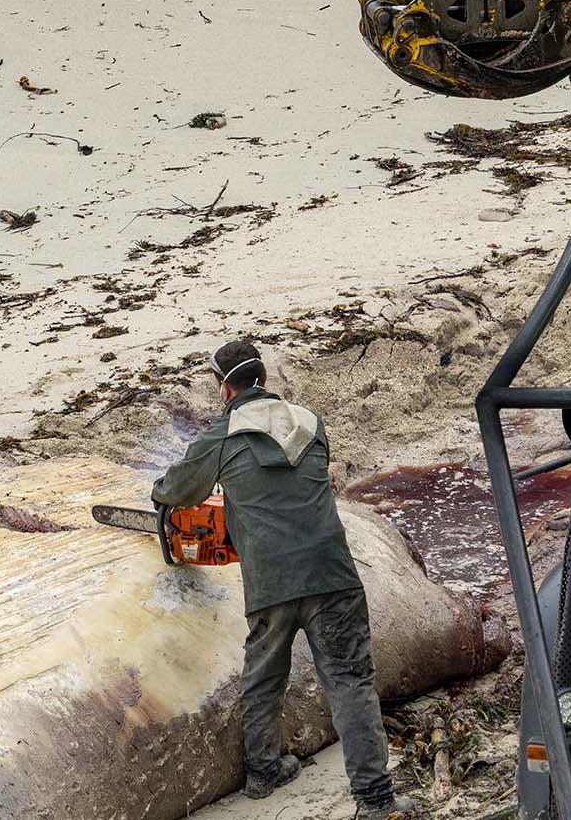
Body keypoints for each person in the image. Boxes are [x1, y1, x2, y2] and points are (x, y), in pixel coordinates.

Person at [151, 340, 416, 819]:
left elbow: (178, 488)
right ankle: (375, 799)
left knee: (264, 675)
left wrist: (163, 495)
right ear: (265, 378)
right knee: (351, 682)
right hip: (332, 574)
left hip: (270, 581)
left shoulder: (222, 433)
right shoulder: (311, 423)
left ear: (222, 384)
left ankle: (263, 771)